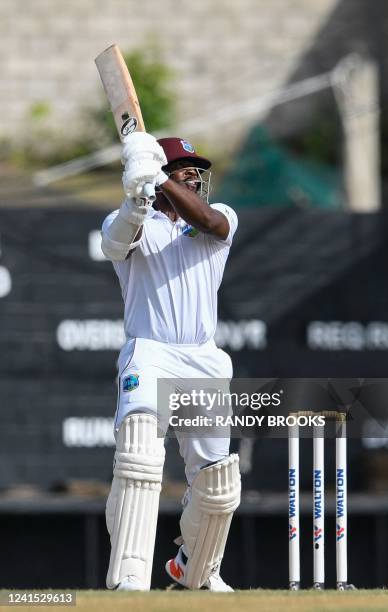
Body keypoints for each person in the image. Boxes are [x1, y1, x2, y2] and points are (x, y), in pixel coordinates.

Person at [101, 132, 241, 592]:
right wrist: (137, 197)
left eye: (194, 172)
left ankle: (194, 568)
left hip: (203, 357)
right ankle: (129, 575)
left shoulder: (218, 219)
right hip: (151, 350)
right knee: (140, 456)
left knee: (218, 482)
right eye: (183, 170)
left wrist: (158, 173)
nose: (193, 178)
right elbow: (115, 243)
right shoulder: (133, 220)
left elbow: (210, 222)